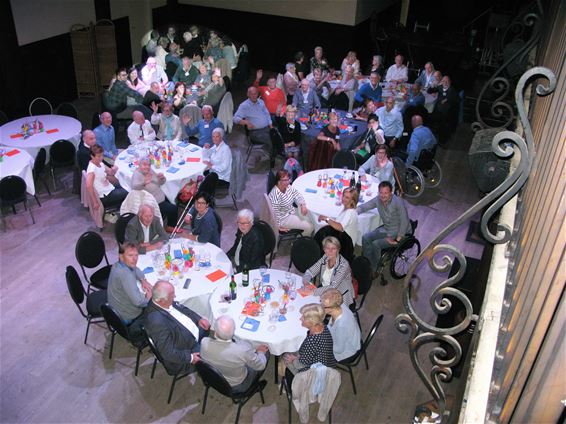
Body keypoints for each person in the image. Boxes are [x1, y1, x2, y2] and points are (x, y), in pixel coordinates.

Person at [143, 280, 210, 375]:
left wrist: (198, 319)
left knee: (207, 326)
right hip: (187, 350)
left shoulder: (162, 301)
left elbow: (182, 308)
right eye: (172, 295)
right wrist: (190, 358)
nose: (174, 296)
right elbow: (168, 352)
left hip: (190, 334)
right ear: (161, 300)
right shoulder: (156, 322)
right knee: (216, 358)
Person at [201, 315, 268, 392]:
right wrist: (261, 352)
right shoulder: (242, 350)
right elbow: (260, 366)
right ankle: (254, 386)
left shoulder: (204, 342)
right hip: (237, 385)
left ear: (215, 332)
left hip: (214, 379)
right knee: (265, 353)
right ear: (234, 332)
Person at [357, 181, 410, 274]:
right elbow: (366, 206)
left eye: (386, 193)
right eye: (381, 192)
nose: (383, 195)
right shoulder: (378, 200)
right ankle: (367, 264)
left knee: (376, 244)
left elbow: (404, 221)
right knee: (365, 238)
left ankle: (373, 269)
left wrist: (397, 239)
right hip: (387, 229)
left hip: (400, 232)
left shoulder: (398, 202)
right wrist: (353, 211)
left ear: (391, 192)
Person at [107, 242, 152, 332]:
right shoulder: (125, 274)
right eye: (130, 255)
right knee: (157, 305)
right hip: (127, 316)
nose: (134, 259)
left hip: (114, 311)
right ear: (121, 256)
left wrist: (143, 280)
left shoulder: (117, 265)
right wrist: (148, 297)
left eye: (136, 255)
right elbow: (139, 302)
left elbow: (135, 269)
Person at [282, 303, 336, 376]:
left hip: (314, 372)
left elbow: (301, 364)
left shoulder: (312, 341)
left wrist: (294, 359)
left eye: (303, 318)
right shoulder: (323, 326)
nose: (300, 318)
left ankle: (297, 379)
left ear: (312, 322)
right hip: (327, 361)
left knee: (285, 355)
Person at [302, 236, 355, 306]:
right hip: (324, 288)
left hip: (339, 294)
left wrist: (312, 292)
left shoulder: (344, 265)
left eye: (333, 248)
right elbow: (310, 271)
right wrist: (306, 283)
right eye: (327, 248)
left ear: (338, 250)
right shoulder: (325, 257)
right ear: (324, 249)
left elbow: (333, 287)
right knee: (305, 302)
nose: (330, 251)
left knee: (315, 310)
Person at [131, 158, 179, 231]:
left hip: (159, 196)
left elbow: (160, 183)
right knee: (173, 208)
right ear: (139, 165)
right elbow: (134, 187)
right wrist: (144, 183)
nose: (147, 167)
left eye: (149, 165)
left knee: (174, 200)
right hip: (153, 202)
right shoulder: (137, 174)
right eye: (144, 165)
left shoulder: (150, 171)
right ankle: (169, 226)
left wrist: (162, 178)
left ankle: (163, 220)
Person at [320, 289, 361, 361]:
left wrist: (323, 343)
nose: (320, 306)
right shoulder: (340, 305)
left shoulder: (341, 325)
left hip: (348, 351)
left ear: (331, 308)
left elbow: (339, 349)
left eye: (323, 306)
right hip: (350, 337)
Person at [268, 169, 313, 235]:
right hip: (284, 219)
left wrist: (302, 204)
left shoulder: (287, 187)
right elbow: (274, 214)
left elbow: (297, 194)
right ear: (278, 181)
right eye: (284, 180)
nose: (287, 182)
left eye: (288, 179)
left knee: (310, 218)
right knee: (310, 227)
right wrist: (278, 226)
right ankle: (299, 241)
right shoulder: (275, 195)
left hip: (290, 210)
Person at [233, 86, 273, 155]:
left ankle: (275, 151)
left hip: (267, 128)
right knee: (270, 138)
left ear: (258, 94)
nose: (254, 96)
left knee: (277, 134)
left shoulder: (261, 102)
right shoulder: (244, 106)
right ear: (248, 95)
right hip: (255, 132)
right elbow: (235, 118)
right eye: (252, 94)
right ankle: (273, 155)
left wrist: (270, 124)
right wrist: (246, 122)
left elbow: (267, 114)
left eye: (255, 93)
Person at [86, 144, 128, 210]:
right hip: (105, 195)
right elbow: (88, 186)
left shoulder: (100, 163)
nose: (101, 158)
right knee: (128, 191)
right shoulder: (92, 169)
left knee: (126, 184)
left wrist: (113, 170)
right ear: (92, 156)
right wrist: (95, 202)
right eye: (99, 156)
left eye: (102, 155)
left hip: (109, 188)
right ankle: (124, 209)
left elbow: (110, 172)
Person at [427, 75, 459, 144]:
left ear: (450, 82)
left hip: (446, 113)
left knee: (443, 126)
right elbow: (429, 91)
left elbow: (457, 100)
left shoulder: (452, 90)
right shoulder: (440, 87)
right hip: (438, 110)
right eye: (443, 81)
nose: (445, 83)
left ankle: (442, 141)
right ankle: (431, 137)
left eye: (447, 81)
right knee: (428, 118)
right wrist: (433, 86)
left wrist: (447, 99)